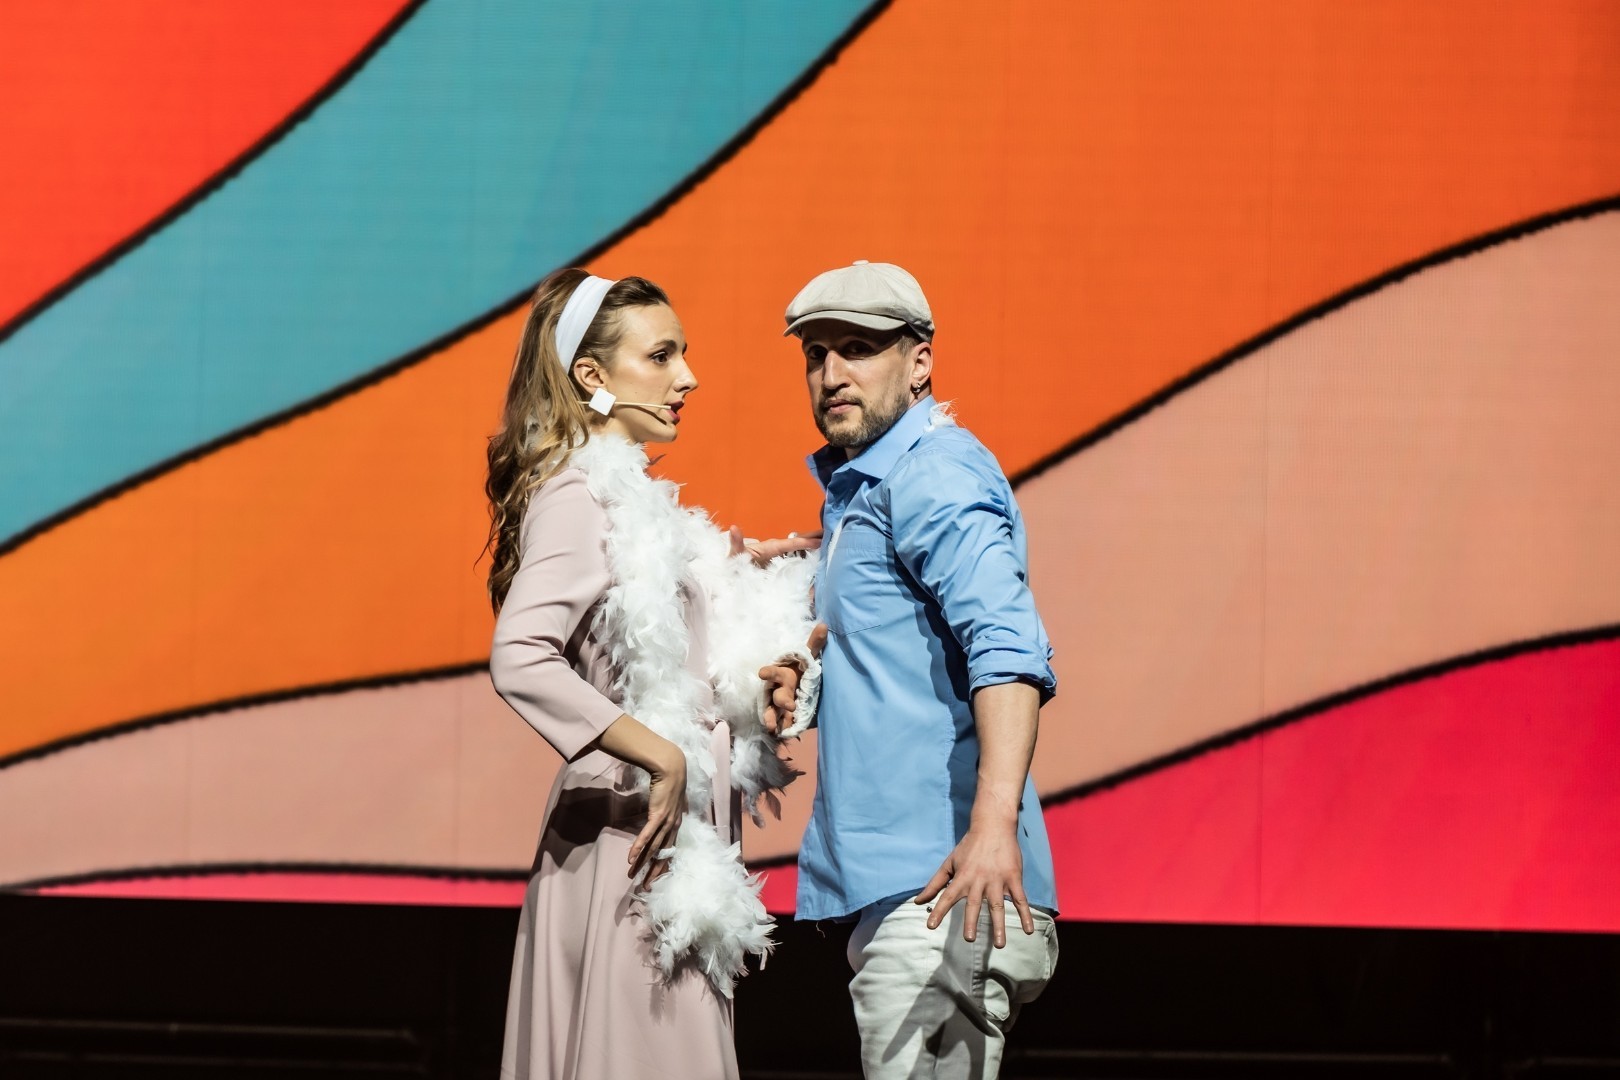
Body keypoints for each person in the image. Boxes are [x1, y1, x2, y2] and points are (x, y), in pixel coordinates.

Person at [485, 268, 819, 1080]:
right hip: (628, 839)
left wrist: (745, 611)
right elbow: (520, 654)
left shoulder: (638, 507)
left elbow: (674, 638)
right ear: (591, 376)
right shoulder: (578, 494)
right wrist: (660, 752)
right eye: (661, 356)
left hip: (664, 839)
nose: (687, 377)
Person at [783, 261, 1061, 1078]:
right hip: (911, 892)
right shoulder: (867, 487)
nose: (832, 373)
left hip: (946, 888)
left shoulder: (930, 471)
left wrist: (992, 829)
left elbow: (1007, 645)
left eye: (859, 348)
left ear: (919, 361)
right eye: (816, 354)